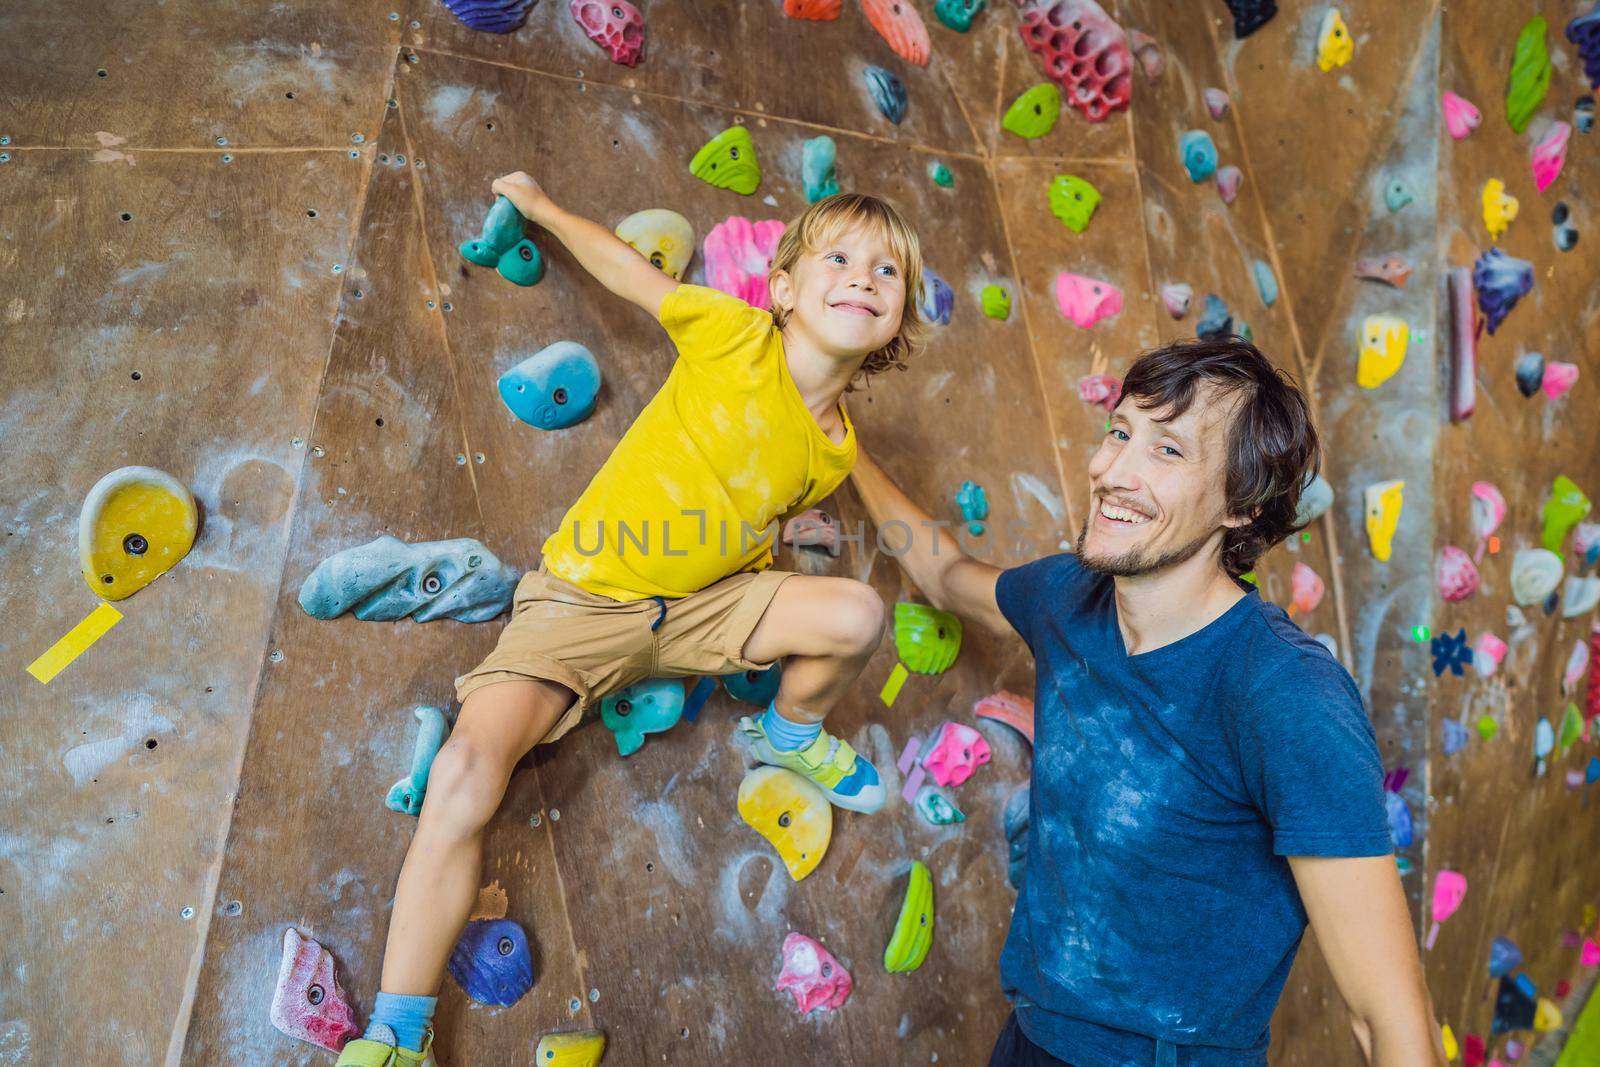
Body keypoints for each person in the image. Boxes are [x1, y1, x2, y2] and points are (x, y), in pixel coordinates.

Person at [335, 182, 928, 1066]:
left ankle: (789, 732)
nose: (863, 277)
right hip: (582, 603)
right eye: (837, 258)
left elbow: (758, 517)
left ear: (898, 320)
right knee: (465, 770)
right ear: (786, 285)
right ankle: (397, 1030)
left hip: (697, 613)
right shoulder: (735, 335)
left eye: (886, 271)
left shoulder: (837, 444)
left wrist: (743, 599)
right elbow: (627, 273)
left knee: (856, 609)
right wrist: (541, 204)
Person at [849, 338, 1447, 1067]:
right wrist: (842, 447)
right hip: (1030, 1041)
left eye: (1168, 452)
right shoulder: (1067, 598)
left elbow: (1390, 1023)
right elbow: (945, 576)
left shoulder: (1286, 695)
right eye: (1121, 432)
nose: (1112, 471)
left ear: (1241, 504)